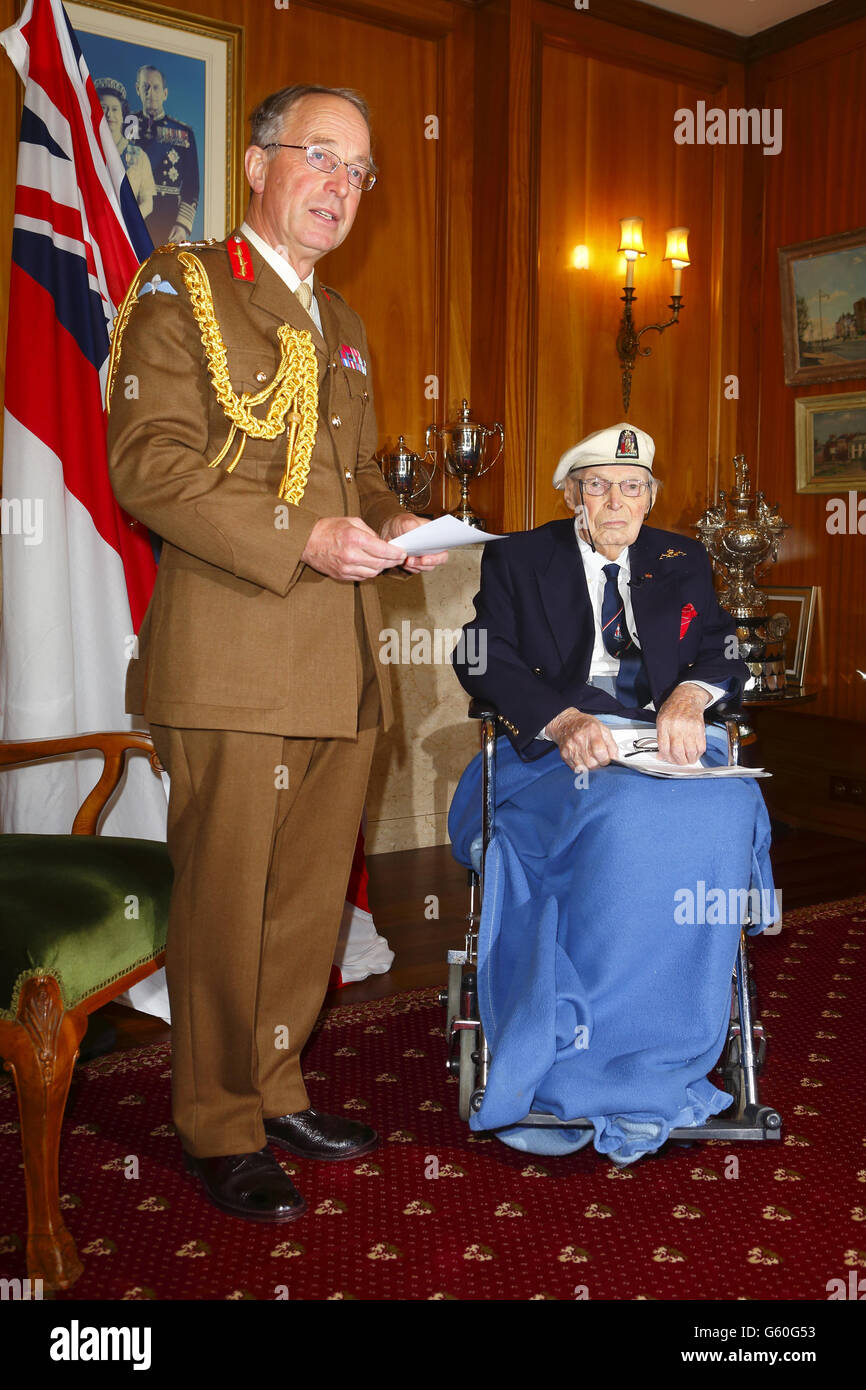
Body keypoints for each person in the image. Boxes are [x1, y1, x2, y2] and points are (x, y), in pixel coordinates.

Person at [107, 84, 446, 1222]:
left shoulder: (341, 322)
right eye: (320, 156)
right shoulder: (186, 286)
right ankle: (214, 1120)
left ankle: (277, 1082)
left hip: (340, 662)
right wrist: (303, 535)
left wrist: (389, 528)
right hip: (234, 659)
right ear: (256, 166)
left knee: (305, 904)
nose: (341, 186)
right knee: (224, 900)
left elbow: (338, 482)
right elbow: (148, 464)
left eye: (360, 170)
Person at [448, 422, 777, 1164]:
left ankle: (678, 1036)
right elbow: (476, 654)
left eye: (633, 488)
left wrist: (691, 696)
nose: (617, 501)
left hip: (664, 744)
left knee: (727, 806)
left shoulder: (679, 558)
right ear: (573, 496)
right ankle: (589, 1054)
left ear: (651, 496)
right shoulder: (519, 557)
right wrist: (560, 719)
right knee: (624, 818)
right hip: (558, 749)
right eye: (598, 486)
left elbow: (723, 645)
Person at [129, 64, 199, 245]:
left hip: (166, 218)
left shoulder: (182, 132)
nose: (150, 92)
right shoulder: (127, 126)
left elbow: (192, 185)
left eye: (156, 87)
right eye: (145, 87)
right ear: (138, 89)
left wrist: (182, 225)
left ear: (165, 93)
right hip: (133, 212)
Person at [95, 77, 155, 219]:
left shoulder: (139, 156)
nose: (109, 114)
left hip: (124, 233)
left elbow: (148, 202)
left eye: (115, 109)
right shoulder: (86, 150)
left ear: (123, 116)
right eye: (103, 108)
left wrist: (129, 222)